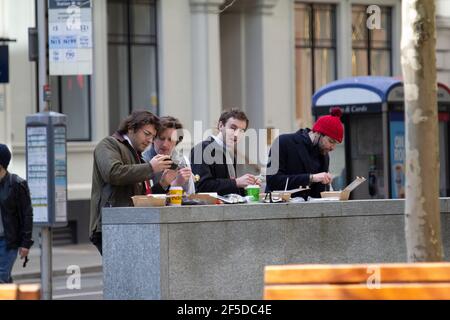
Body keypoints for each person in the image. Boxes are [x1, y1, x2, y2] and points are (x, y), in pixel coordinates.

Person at [89, 111, 173, 255]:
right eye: (146, 134)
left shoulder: (137, 155)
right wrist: (150, 167)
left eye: (152, 137)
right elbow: (113, 173)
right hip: (111, 223)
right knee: (121, 275)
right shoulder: (108, 144)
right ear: (131, 128)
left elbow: (143, 198)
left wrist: (164, 184)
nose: (149, 140)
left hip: (129, 223)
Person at [266, 107, 344, 199]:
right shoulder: (281, 142)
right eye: (331, 141)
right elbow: (272, 181)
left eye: (336, 143)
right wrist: (310, 178)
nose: (333, 148)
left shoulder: (324, 155)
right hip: (278, 208)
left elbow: (317, 195)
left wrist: (327, 188)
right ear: (318, 133)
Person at [190, 109, 260, 196]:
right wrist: (236, 182)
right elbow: (202, 187)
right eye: (233, 128)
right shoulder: (202, 149)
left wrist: (247, 186)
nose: (236, 135)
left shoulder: (229, 154)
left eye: (241, 130)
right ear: (220, 125)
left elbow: (228, 191)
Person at [0, 144, 33, 283]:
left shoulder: (17, 184)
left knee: (1, 277)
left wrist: (25, 244)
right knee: (4, 279)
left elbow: (27, 215)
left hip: (8, 242)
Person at [142, 116, 195, 195]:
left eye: (170, 139)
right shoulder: (142, 160)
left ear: (177, 142)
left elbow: (190, 196)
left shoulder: (182, 161)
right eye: (161, 138)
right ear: (153, 139)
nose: (165, 144)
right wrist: (175, 185)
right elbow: (143, 199)